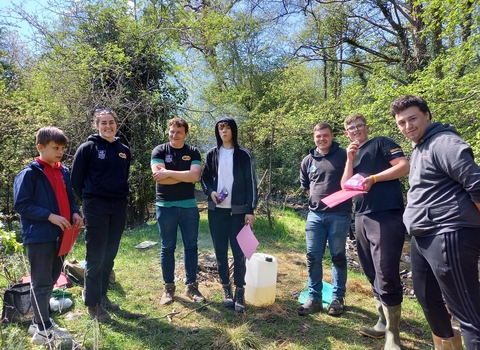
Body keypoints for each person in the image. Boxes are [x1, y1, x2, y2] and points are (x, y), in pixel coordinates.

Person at [392, 95, 480, 349]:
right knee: (428, 299)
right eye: (401, 122)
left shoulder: (443, 142)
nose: (407, 126)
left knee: (469, 315)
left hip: (449, 231)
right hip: (423, 235)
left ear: (427, 115)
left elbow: (476, 183)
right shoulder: (420, 146)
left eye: (413, 119)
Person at [341, 113, 409, 350]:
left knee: (386, 270)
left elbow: (403, 166)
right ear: (346, 133)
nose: (356, 130)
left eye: (360, 126)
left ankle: (393, 335)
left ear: (367, 128)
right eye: (351, 128)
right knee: (370, 270)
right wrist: (349, 159)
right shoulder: (352, 153)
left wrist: (373, 178)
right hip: (361, 215)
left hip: (386, 214)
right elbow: (345, 186)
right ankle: (381, 322)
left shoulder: (381, 142)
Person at [14, 127, 83, 345]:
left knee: (52, 280)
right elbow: (22, 204)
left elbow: (68, 198)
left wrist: (75, 212)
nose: (60, 152)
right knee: (41, 283)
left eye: (62, 148)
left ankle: (38, 322)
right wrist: (50, 216)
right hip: (40, 236)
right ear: (40, 147)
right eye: (55, 148)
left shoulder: (63, 171)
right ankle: (43, 332)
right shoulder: (29, 174)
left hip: (61, 236)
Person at [71, 108, 131, 322]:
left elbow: (124, 176)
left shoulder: (124, 150)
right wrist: (90, 200)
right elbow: (76, 180)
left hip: (119, 205)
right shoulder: (87, 148)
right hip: (95, 205)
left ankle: (102, 295)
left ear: (116, 124)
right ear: (96, 125)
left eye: (111, 122)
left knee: (109, 255)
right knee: (95, 256)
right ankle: (92, 304)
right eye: (103, 122)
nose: (108, 126)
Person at [201, 117, 258, 313]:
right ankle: (226, 288)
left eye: (226, 128)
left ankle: (240, 290)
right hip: (217, 211)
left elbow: (251, 183)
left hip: (239, 212)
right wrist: (211, 192)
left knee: (239, 252)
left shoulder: (244, 155)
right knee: (220, 252)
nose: (223, 131)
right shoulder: (212, 154)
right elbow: (204, 178)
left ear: (233, 130)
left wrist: (250, 209)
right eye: (220, 128)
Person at [297, 123, 351, 316]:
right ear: (314, 137)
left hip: (339, 214)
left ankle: (337, 299)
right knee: (313, 257)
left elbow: (353, 181)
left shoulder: (344, 155)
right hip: (315, 215)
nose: (322, 139)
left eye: (325, 135)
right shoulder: (308, 160)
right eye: (318, 136)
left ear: (332, 136)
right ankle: (314, 299)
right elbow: (307, 186)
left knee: (337, 256)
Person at [151, 117, 205, 305]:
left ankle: (191, 286)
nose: (175, 135)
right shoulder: (159, 150)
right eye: (172, 131)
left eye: (179, 132)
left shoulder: (193, 152)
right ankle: (168, 288)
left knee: (191, 246)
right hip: (165, 207)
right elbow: (159, 179)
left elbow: (195, 176)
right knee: (168, 247)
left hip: (189, 206)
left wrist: (169, 173)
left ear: (186, 134)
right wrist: (183, 176)